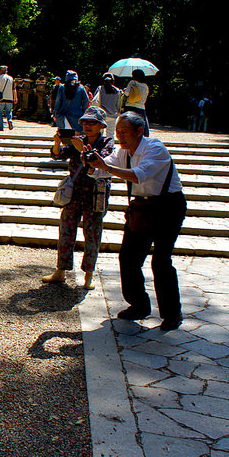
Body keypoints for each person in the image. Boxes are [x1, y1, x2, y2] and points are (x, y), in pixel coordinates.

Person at [86, 111, 187, 331]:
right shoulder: (123, 151)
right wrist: (93, 162)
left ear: (139, 131)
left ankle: (172, 313)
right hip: (141, 207)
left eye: (123, 131)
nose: (118, 135)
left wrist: (106, 167)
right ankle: (139, 305)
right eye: (117, 131)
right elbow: (103, 169)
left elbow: (138, 175)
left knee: (161, 261)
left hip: (167, 206)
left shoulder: (155, 148)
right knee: (128, 257)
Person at [43, 107, 114, 290]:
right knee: (66, 231)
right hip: (74, 194)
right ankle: (61, 270)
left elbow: (102, 162)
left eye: (92, 122)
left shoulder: (107, 143)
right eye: (85, 122)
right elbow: (57, 155)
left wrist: (82, 149)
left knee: (92, 235)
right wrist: (57, 143)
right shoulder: (77, 140)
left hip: (95, 195)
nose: (88, 126)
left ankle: (89, 274)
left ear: (101, 125)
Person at [92, 73, 122, 137]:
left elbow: (95, 100)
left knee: (99, 133)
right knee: (110, 134)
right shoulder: (117, 90)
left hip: (101, 114)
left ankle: (99, 146)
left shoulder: (100, 89)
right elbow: (118, 104)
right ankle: (110, 146)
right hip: (113, 115)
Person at [123, 69, 150, 136]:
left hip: (130, 106)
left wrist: (125, 91)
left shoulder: (132, 82)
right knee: (141, 125)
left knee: (129, 125)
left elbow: (127, 93)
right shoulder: (145, 86)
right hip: (141, 107)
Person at [0, 65, 16, 131]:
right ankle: (10, 120)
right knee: (9, 111)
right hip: (9, 97)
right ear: (6, 71)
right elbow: (14, 89)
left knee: (0, 113)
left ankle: (1, 127)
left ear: (0, 71)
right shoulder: (11, 78)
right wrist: (15, 97)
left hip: (0, 98)